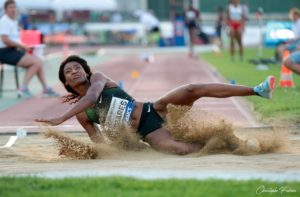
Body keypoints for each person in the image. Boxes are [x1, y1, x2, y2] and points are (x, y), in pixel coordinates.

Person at [35, 55, 276, 155]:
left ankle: (257, 90)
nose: (74, 71)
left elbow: (91, 97)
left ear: (86, 71)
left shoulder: (98, 79)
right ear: (66, 82)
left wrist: (60, 118)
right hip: (148, 132)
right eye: (69, 71)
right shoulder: (83, 115)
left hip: (154, 109)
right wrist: (81, 152)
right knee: (179, 149)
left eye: (77, 67)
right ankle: (233, 147)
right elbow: (99, 143)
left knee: (192, 89)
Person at [0, 0, 58, 97]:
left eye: (14, 7)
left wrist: (27, 44)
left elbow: (16, 38)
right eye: (11, 7)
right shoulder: (4, 21)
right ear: (5, 10)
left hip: (13, 50)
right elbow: (5, 40)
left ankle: (45, 88)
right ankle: (23, 88)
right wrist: (22, 46)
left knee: (38, 61)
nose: (13, 9)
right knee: (37, 62)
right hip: (4, 52)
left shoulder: (13, 21)